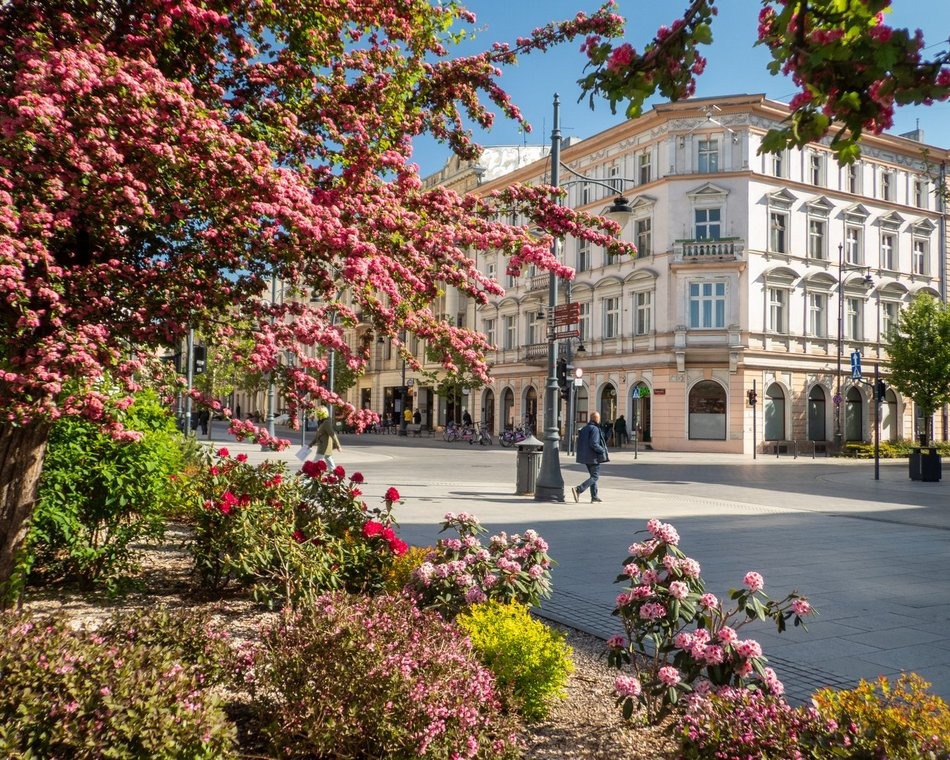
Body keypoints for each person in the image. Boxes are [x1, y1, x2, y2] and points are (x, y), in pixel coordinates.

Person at [572, 411, 608, 503]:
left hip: (585, 456)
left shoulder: (585, 428)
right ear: (596, 419)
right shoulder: (595, 429)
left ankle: (594, 496)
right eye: (599, 418)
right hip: (593, 457)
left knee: (592, 476)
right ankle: (579, 489)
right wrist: (602, 450)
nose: (599, 420)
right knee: (595, 476)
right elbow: (594, 444)